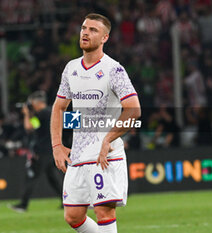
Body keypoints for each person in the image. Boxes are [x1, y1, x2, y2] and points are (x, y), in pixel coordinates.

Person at [50, 13, 141, 233]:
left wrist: (109, 138)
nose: (85, 33)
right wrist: (57, 146)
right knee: (72, 216)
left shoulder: (114, 70)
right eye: (83, 28)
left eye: (93, 30)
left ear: (104, 38)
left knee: (104, 211)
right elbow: (59, 107)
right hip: (80, 154)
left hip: (105, 155)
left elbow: (134, 109)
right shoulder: (71, 68)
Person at [9, 91, 63, 212]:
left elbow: (29, 127)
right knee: (53, 178)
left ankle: (23, 204)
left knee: (32, 176)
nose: (31, 105)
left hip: (43, 151)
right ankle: (66, 202)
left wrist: (26, 114)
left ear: (38, 102)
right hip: (51, 150)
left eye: (32, 103)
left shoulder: (43, 113)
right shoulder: (50, 111)